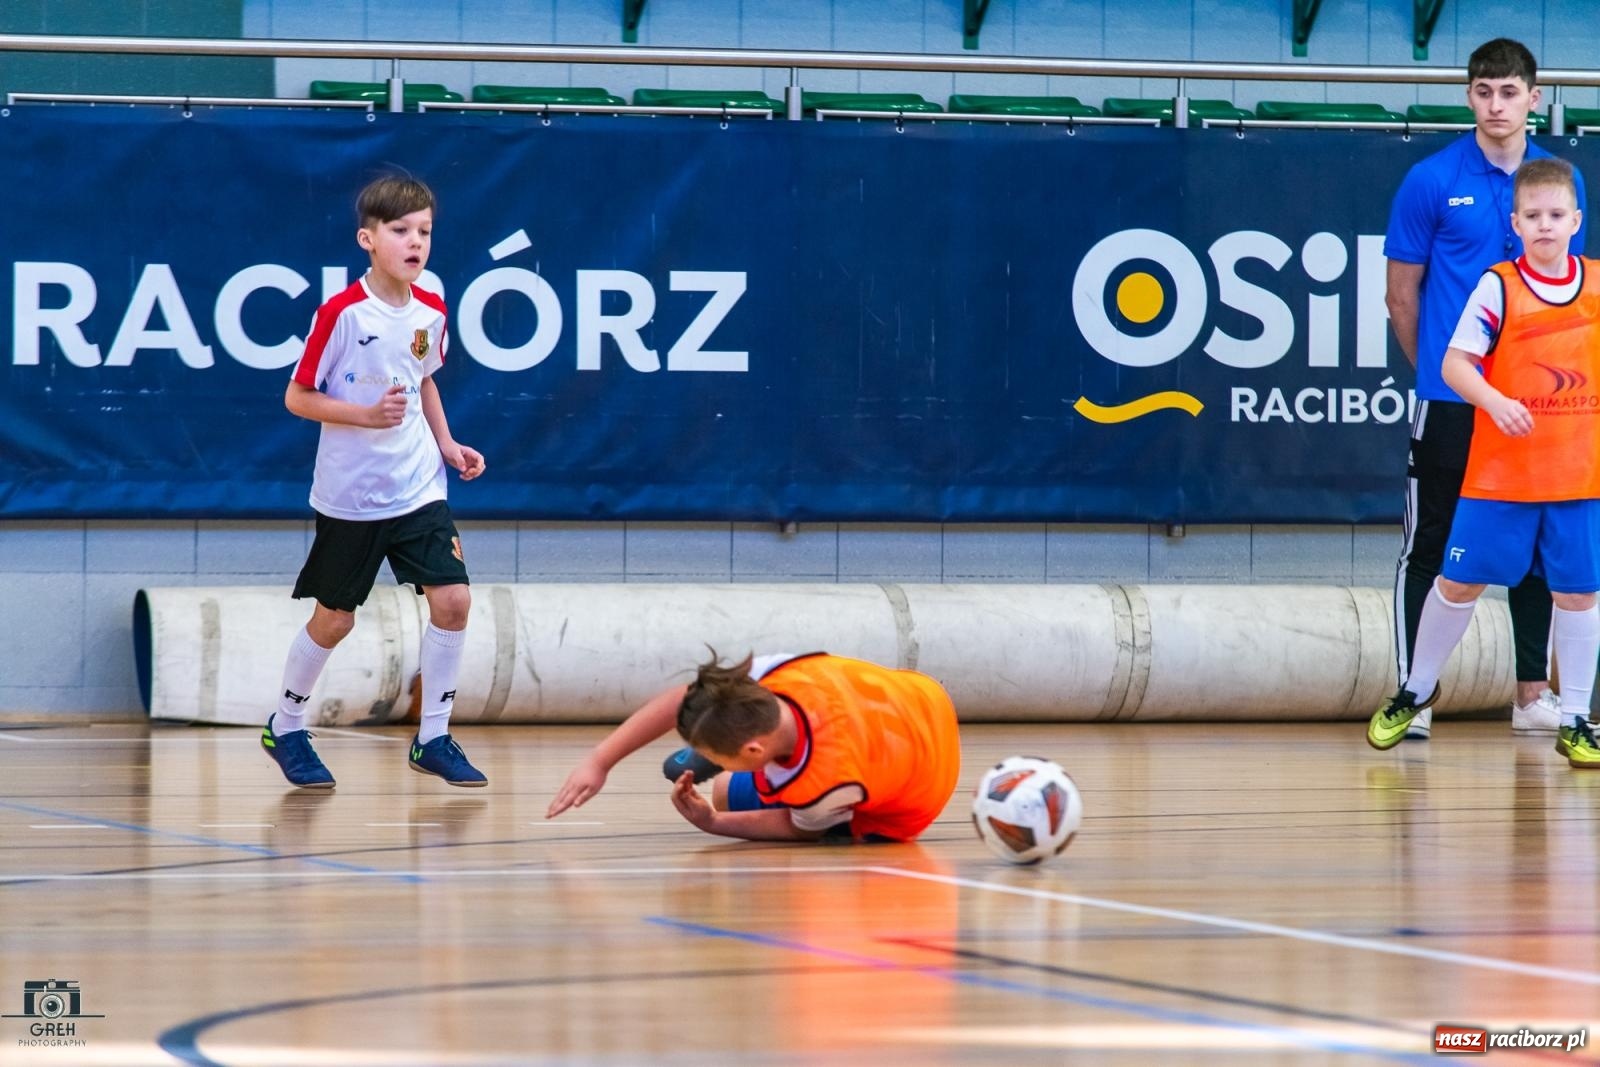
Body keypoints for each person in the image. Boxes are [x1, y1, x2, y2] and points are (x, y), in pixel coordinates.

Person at [1384, 38, 1586, 741]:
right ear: (1468, 96)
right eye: (1483, 91)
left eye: (1509, 92)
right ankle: (1416, 694)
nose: (1495, 105)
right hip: (1452, 404)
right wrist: (1452, 378)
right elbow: (1401, 299)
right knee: (1433, 544)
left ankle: (1534, 694)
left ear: (1535, 98)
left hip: (1542, 411)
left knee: (1541, 548)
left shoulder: (1559, 181)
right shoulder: (1430, 180)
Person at [260, 174, 489, 790]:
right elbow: (297, 397)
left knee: (454, 599)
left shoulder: (433, 309)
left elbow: (425, 380)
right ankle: (285, 726)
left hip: (419, 485)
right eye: (400, 231)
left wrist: (446, 444)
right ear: (368, 238)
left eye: (425, 232)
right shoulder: (340, 313)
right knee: (335, 618)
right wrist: (363, 416)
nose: (415, 243)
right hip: (352, 496)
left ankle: (434, 737)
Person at [547, 651, 962, 842]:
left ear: (752, 751)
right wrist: (600, 760)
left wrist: (713, 823)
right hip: (923, 699)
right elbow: (684, 695)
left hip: (914, 802)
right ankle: (711, 737)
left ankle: (719, 763)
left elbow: (794, 827)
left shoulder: (821, 783)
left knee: (727, 795)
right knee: (722, 757)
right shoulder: (785, 672)